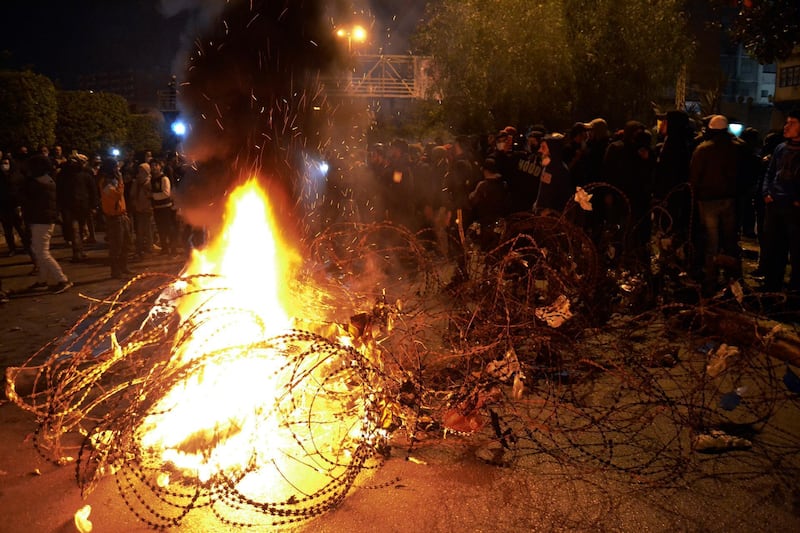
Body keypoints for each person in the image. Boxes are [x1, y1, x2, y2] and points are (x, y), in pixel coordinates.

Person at [689, 114, 743, 295]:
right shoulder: (737, 149)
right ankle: (733, 281)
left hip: (708, 201)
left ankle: (710, 283)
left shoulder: (703, 150)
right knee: (729, 242)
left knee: (711, 243)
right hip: (730, 200)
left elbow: (694, 177)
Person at [760, 110, 800, 294]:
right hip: (775, 205)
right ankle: (771, 288)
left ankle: (793, 294)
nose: (786, 127)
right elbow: (770, 172)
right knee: (774, 250)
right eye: (786, 123)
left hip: (794, 209)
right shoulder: (781, 148)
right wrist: (767, 192)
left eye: (791, 123)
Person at [22, 155, 72, 293]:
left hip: (40, 221)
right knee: (40, 251)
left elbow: (29, 201)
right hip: (45, 220)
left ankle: (62, 279)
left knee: (42, 252)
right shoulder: (48, 180)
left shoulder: (36, 183)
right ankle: (42, 280)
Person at [58, 153, 97, 262]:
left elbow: (92, 190)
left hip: (80, 206)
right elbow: (59, 191)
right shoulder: (64, 175)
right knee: (75, 230)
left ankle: (79, 250)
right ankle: (77, 252)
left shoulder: (84, 174)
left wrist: (93, 205)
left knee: (79, 230)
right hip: (72, 207)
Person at [99, 158, 132, 278]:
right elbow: (118, 194)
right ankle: (115, 270)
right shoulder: (105, 183)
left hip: (122, 215)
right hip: (114, 218)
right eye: (115, 167)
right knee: (116, 245)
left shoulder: (113, 180)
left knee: (126, 242)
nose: (118, 169)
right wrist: (121, 180)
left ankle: (124, 266)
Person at [150, 159, 178, 255]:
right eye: (152, 166)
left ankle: (173, 250)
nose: (153, 168)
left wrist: (152, 195)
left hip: (166, 208)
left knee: (169, 229)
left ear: (160, 166)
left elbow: (166, 193)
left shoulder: (164, 179)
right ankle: (164, 249)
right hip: (157, 208)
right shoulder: (152, 179)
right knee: (161, 229)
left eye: (155, 165)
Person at [129, 162, 154, 259]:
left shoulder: (150, 181)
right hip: (139, 208)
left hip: (147, 208)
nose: (141, 172)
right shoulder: (136, 182)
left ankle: (148, 247)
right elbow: (132, 194)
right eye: (140, 170)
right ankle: (139, 248)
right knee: (140, 230)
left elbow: (153, 194)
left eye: (143, 170)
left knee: (148, 230)